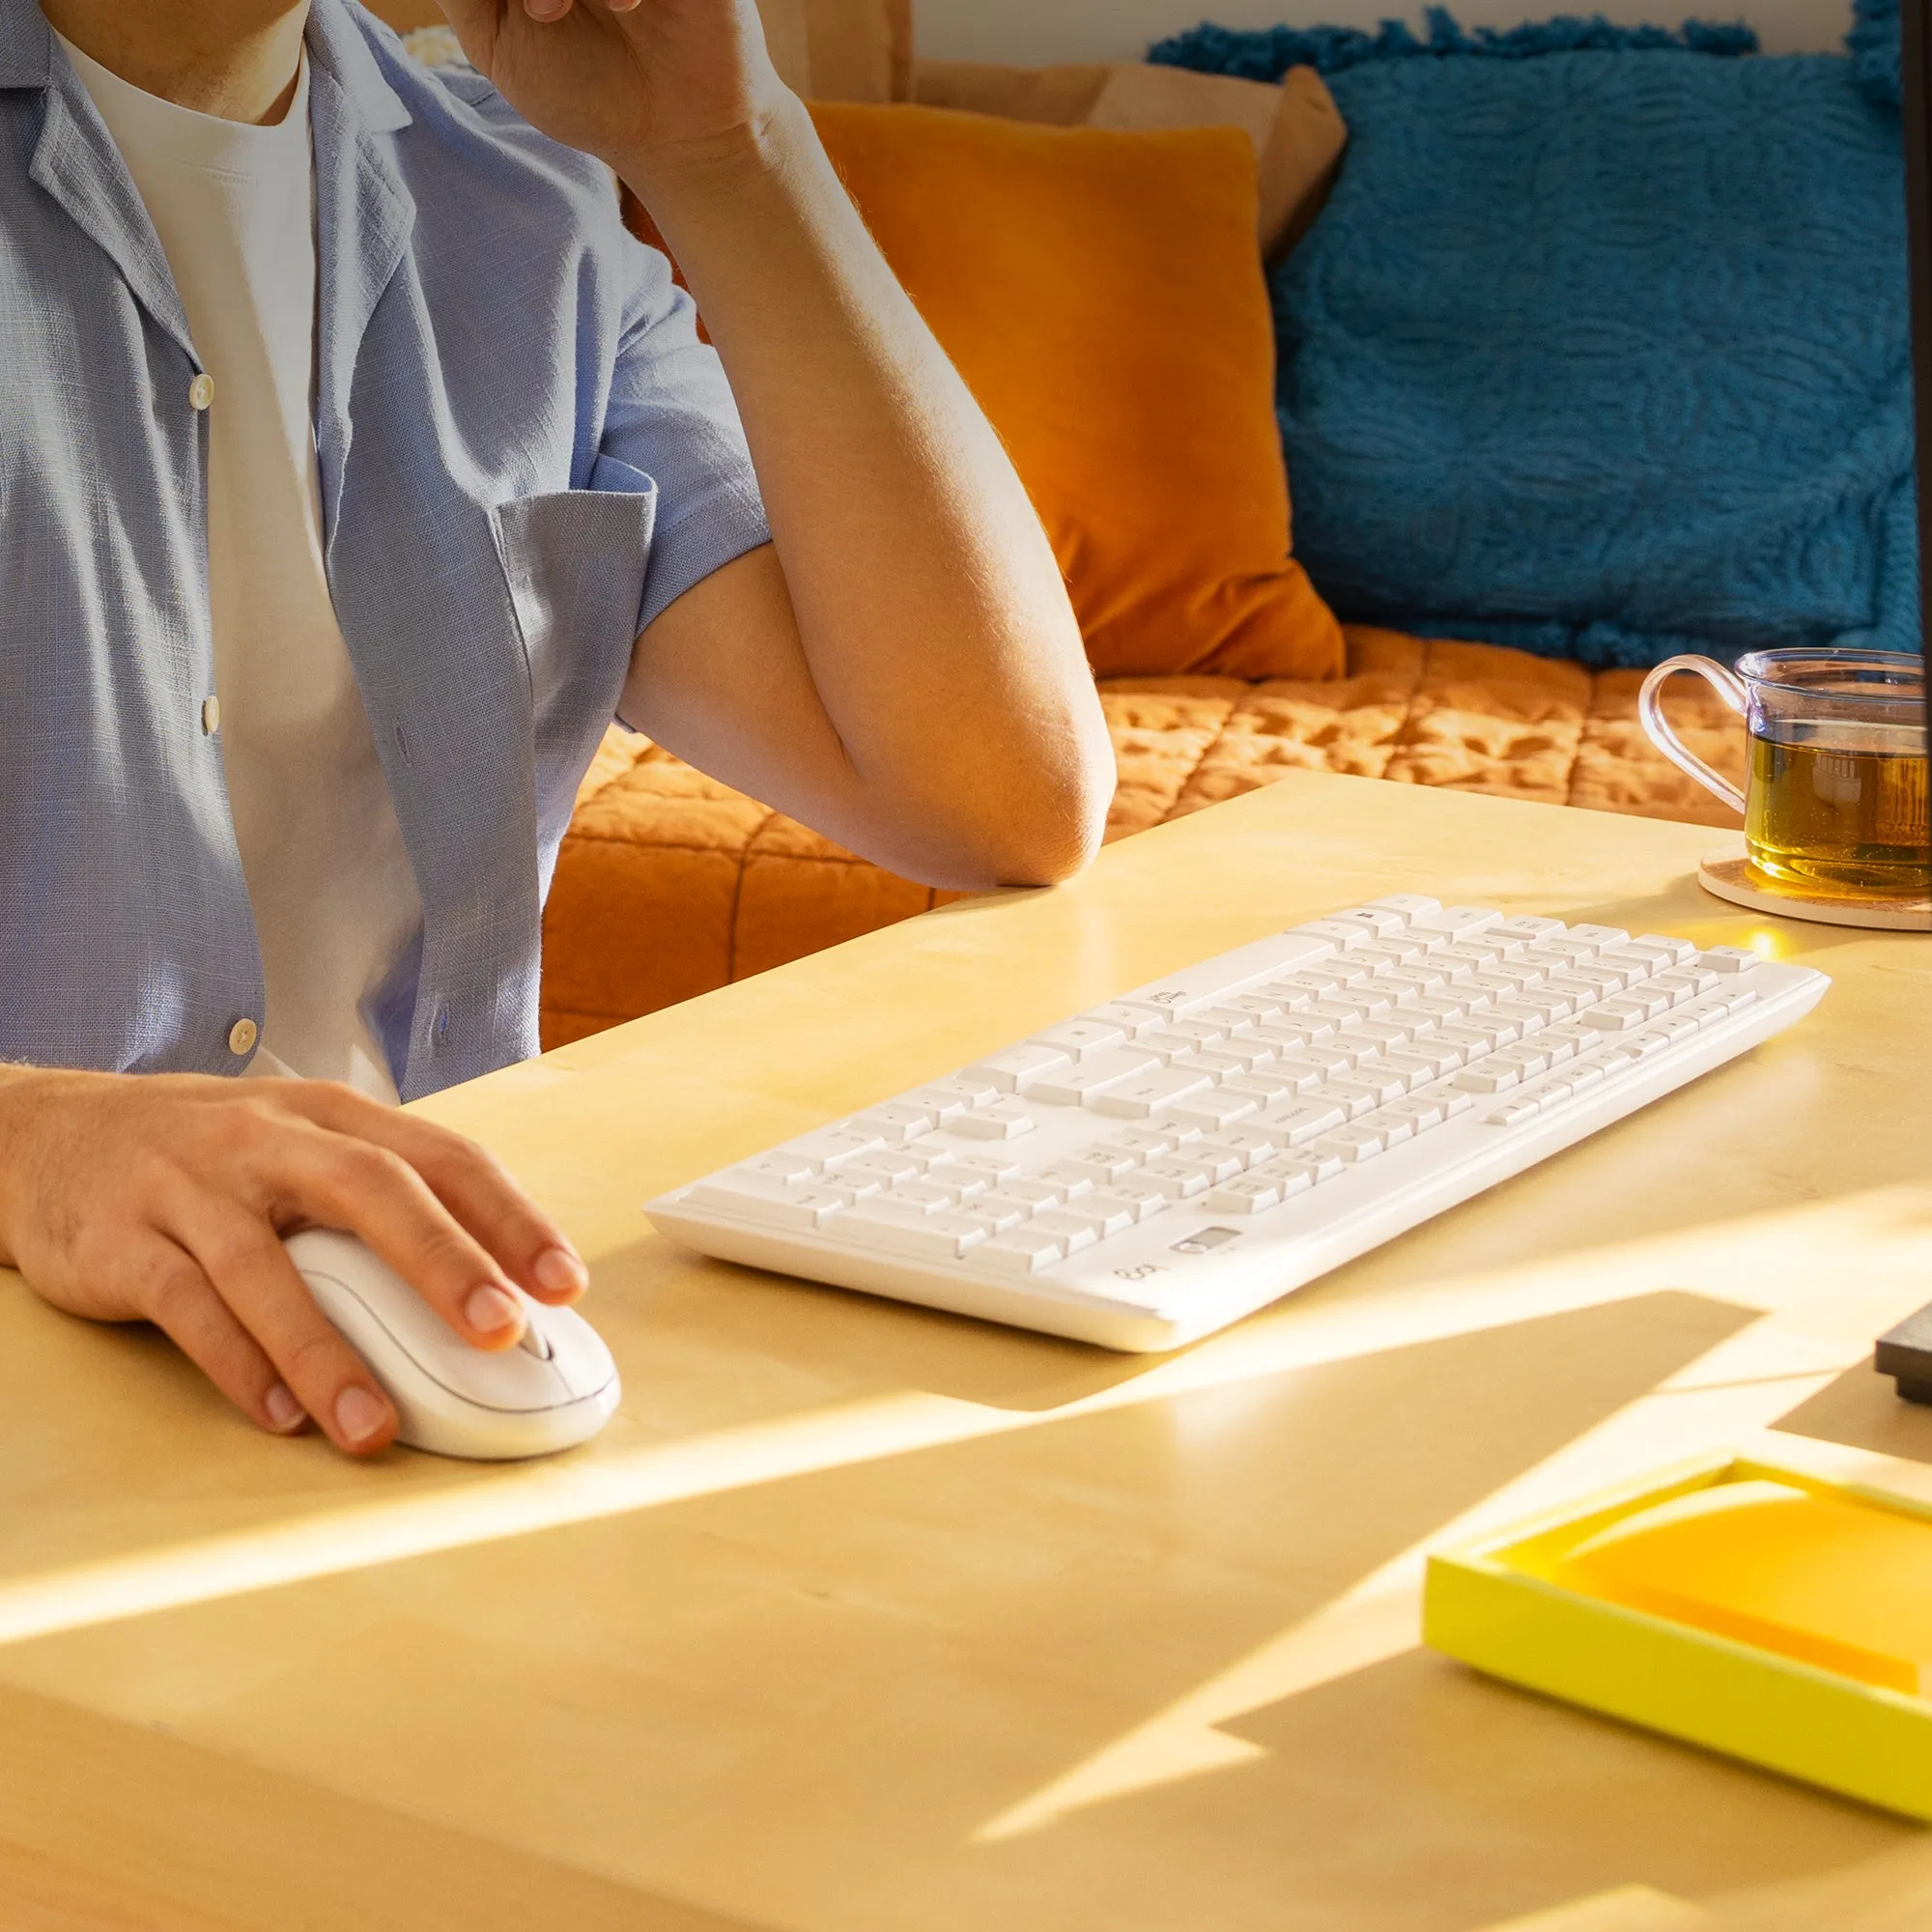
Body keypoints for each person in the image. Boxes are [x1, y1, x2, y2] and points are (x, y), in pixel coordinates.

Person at [0, 0, 1113, 1455]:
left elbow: (997, 797)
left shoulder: (525, 204)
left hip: (424, 1357)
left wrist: (732, 150)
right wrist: (31, 1139)